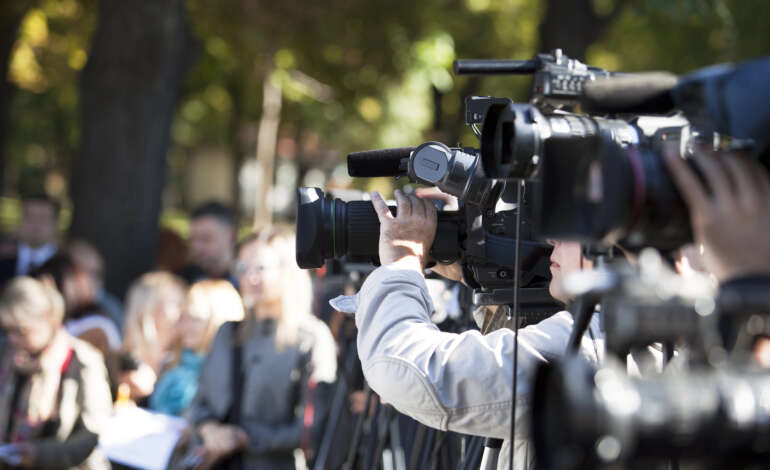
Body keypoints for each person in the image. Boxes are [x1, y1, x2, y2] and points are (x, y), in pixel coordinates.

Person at [351, 146, 770, 469]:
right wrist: (474, 274)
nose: (551, 241)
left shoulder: (594, 348)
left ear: (615, 245)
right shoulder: (652, 332)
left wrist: (403, 263)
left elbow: (411, 370)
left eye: (569, 229)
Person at [185, 227, 337, 470]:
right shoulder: (228, 333)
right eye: (242, 268)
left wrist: (245, 438)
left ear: (287, 271)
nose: (249, 277)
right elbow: (199, 403)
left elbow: (314, 426)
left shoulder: (311, 337)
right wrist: (209, 429)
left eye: (260, 268)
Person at [0, 277, 112, 470]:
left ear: (48, 318)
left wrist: (40, 454)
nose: (13, 339)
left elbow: (93, 433)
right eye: (7, 330)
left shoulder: (82, 360)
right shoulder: (7, 355)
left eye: (22, 331)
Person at [149, 280, 244, 416]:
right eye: (184, 317)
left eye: (195, 319)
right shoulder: (173, 362)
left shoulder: (231, 372)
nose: (186, 326)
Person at [120, 272, 187, 401]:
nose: (183, 312)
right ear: (149, 309)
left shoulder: (185, 361)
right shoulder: (119, 363)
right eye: (176, 304)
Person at [0, 195, 60, 286]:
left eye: (43, 218)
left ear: (55, 224)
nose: (36, 224)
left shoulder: (66, 267)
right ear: (20, 220)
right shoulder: (4, 257)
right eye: (29, 216)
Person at [177, 202, 237, 287]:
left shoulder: (245, 282)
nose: (197, 247)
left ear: (230, 235)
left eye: (206, 238)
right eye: (192, 239)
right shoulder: (184, 280)